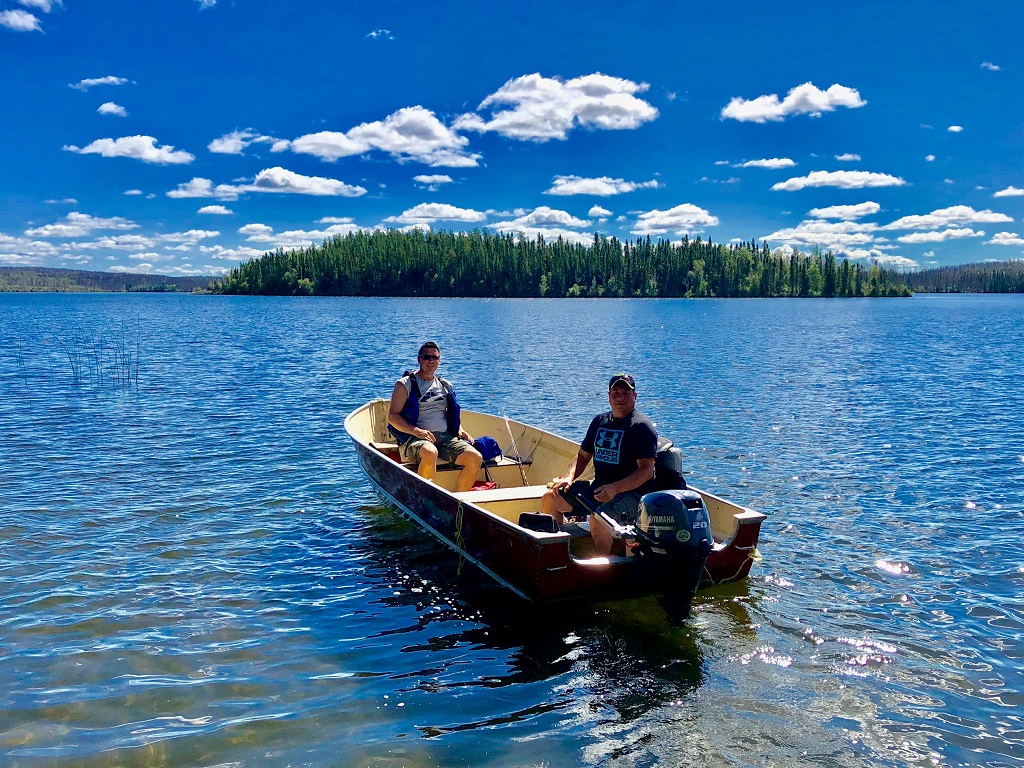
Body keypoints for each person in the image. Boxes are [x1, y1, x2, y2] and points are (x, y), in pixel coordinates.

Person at [541, 373, 658, 555]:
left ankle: (603, 566)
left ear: (635, 396)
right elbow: (582, 456)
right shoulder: (599, 422)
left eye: (626, 393)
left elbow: (646, 471)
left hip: (633, 495)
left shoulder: (640, 427)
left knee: (599, 518)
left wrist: (615, 489)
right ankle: (558, 555)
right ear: (609, 396)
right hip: (600, 489)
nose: (620, 397)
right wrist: (569, 477)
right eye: (615, 393)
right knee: (551, 498)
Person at [387, 341, 483, 492]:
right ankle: (424, 497)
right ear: (419, 359)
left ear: (439, 360)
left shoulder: (445, 385)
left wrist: (460, 429)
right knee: (430, 452)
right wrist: (416, 431)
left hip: (444, 437)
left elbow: (451, 413)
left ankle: (459, 501)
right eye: (426, 357)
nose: (430, 361)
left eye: (434, 357)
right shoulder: (405, 384)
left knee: (475, 457)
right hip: (414, 439)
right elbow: (392, 416)